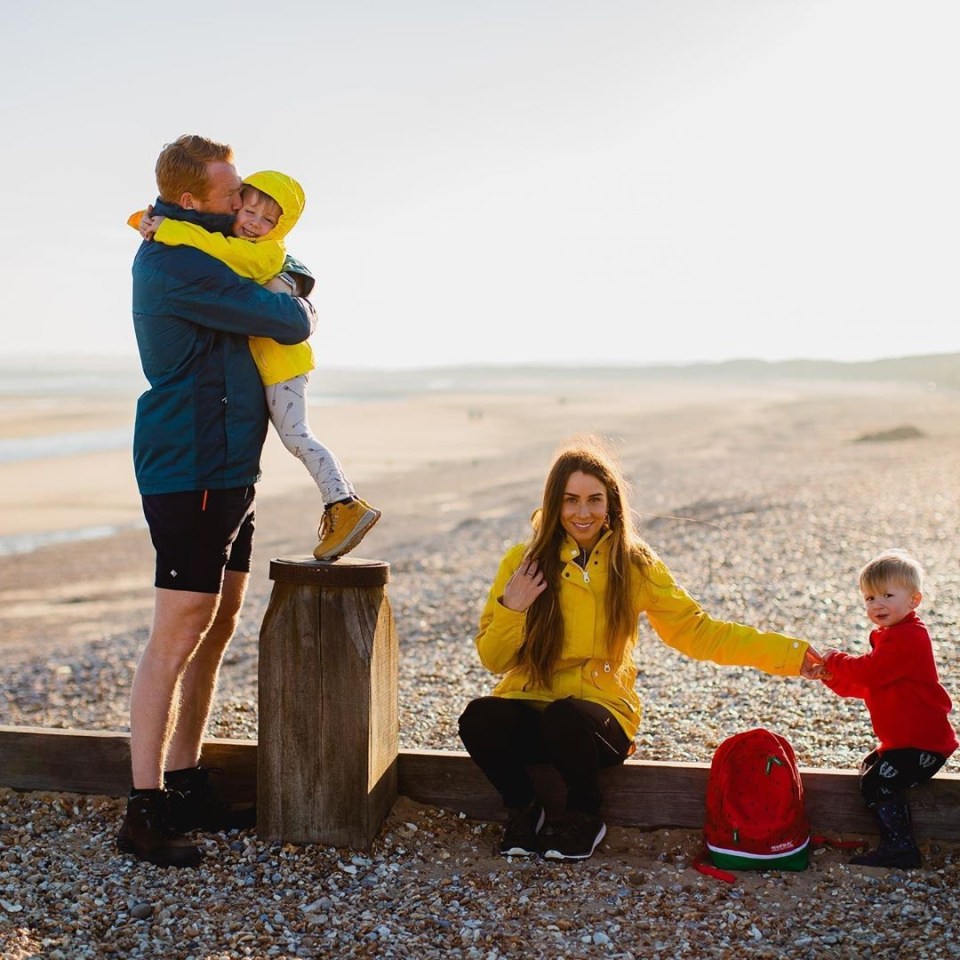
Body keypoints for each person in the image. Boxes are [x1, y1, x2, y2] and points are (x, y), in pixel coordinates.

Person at [458, 436, 823, 862]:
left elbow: (699, 631)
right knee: (479, 716)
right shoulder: (523, 562)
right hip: (531, 703)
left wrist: (790, 654)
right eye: (570, 499)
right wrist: (513, 608)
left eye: (594, 499)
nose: (582, 512)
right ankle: (524, 810)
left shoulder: (634, 564)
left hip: (598, 719)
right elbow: (493, 660)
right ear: (554, 502)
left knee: (566, 717)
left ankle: (585, 817)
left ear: (611, 503)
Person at [121, 135, 318, 868]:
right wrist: (290, 293)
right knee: (178, 629)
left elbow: (292, 270)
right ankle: (143, 809)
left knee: (219, 618)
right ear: (191, 198)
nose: (245, 202)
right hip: (190, 467)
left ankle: (184, 777)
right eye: (231, 192)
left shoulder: (211, 247)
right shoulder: (178, 264)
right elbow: (291, 319)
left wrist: (291, 278)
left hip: (232, 465)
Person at [134, 171, 380, 560]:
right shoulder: (250, 243)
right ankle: (342, 504)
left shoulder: (265, 252)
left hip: (283, 367)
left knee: (297, 437)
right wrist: (151, 220)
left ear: (281, 227)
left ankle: (344, 504)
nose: (254, 224)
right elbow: (215, 242)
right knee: (296, 436)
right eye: (249, 210)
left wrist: (169, 231)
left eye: (268, 221)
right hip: (273, 366)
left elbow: (225, 253)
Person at [818, 549, 957, 868]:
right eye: (869, 598)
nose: (877, 604)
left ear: (914, 600)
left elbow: (868, 672)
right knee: (871, 768)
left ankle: (901, 847)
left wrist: (834, 659)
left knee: (877, 782)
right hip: (904, 743)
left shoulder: (908, 637)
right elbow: (867, 685)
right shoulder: (889, 639)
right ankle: (895, 840)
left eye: (887, 595)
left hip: (925, 744)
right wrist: (830, 676)